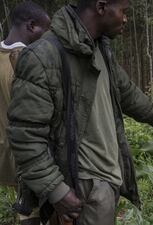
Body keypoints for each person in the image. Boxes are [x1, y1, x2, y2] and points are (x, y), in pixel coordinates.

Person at [7, 0, 153, 224]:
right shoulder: (43, 57)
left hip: (108, 181)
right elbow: (26, 136)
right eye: (123, 11)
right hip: (81, 185)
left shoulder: (99, 48)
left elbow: (129, 94)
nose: (125, 18)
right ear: (101, 7)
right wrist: (56, 190)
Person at [0, 2, 50, 225]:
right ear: (31, 26)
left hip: (4, 152)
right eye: (44, 30)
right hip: (28, 152)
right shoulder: (27, 60)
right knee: (31, 212)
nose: (45, 36)